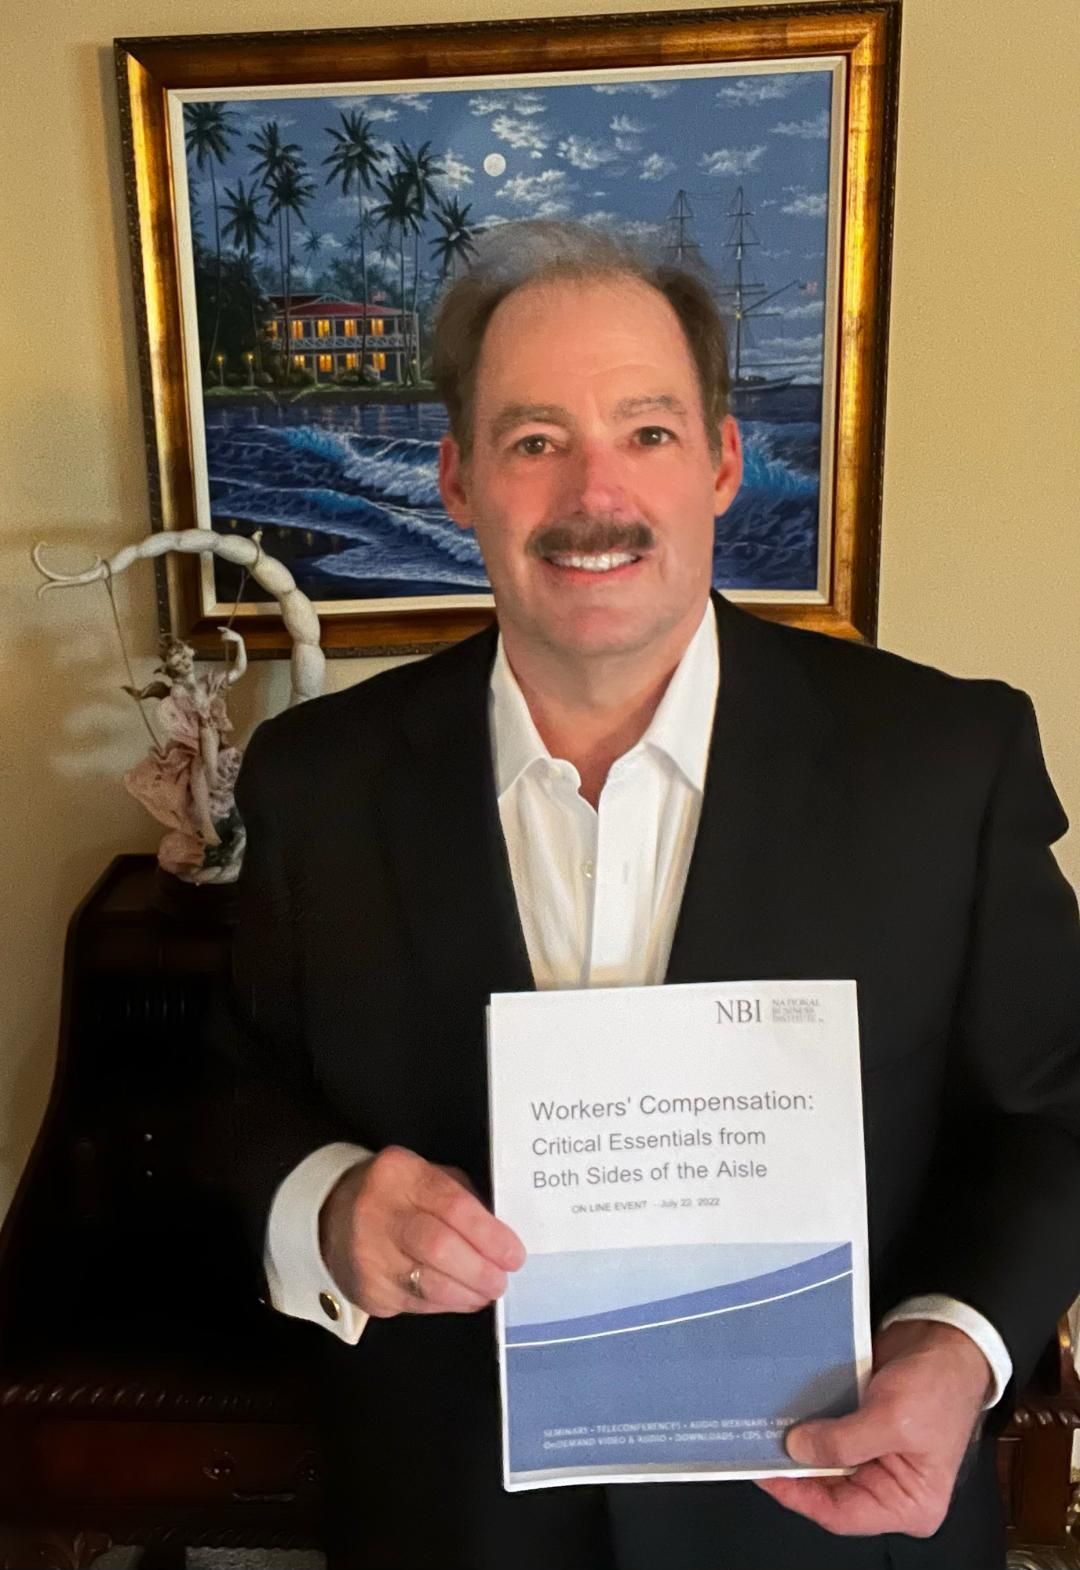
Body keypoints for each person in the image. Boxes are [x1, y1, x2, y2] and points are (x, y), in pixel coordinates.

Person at [212, 221, 1080, 1569]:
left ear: (725, 464)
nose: (594, 493)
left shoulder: (944, 762)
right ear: (456, 479)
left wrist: (960, 1347)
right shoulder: (313, 780)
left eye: (649, 432)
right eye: (534, 437)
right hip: (447, 1529)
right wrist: (323, 1203)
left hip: (833, 1522)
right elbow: (226, 1089)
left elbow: (1055, 1112)